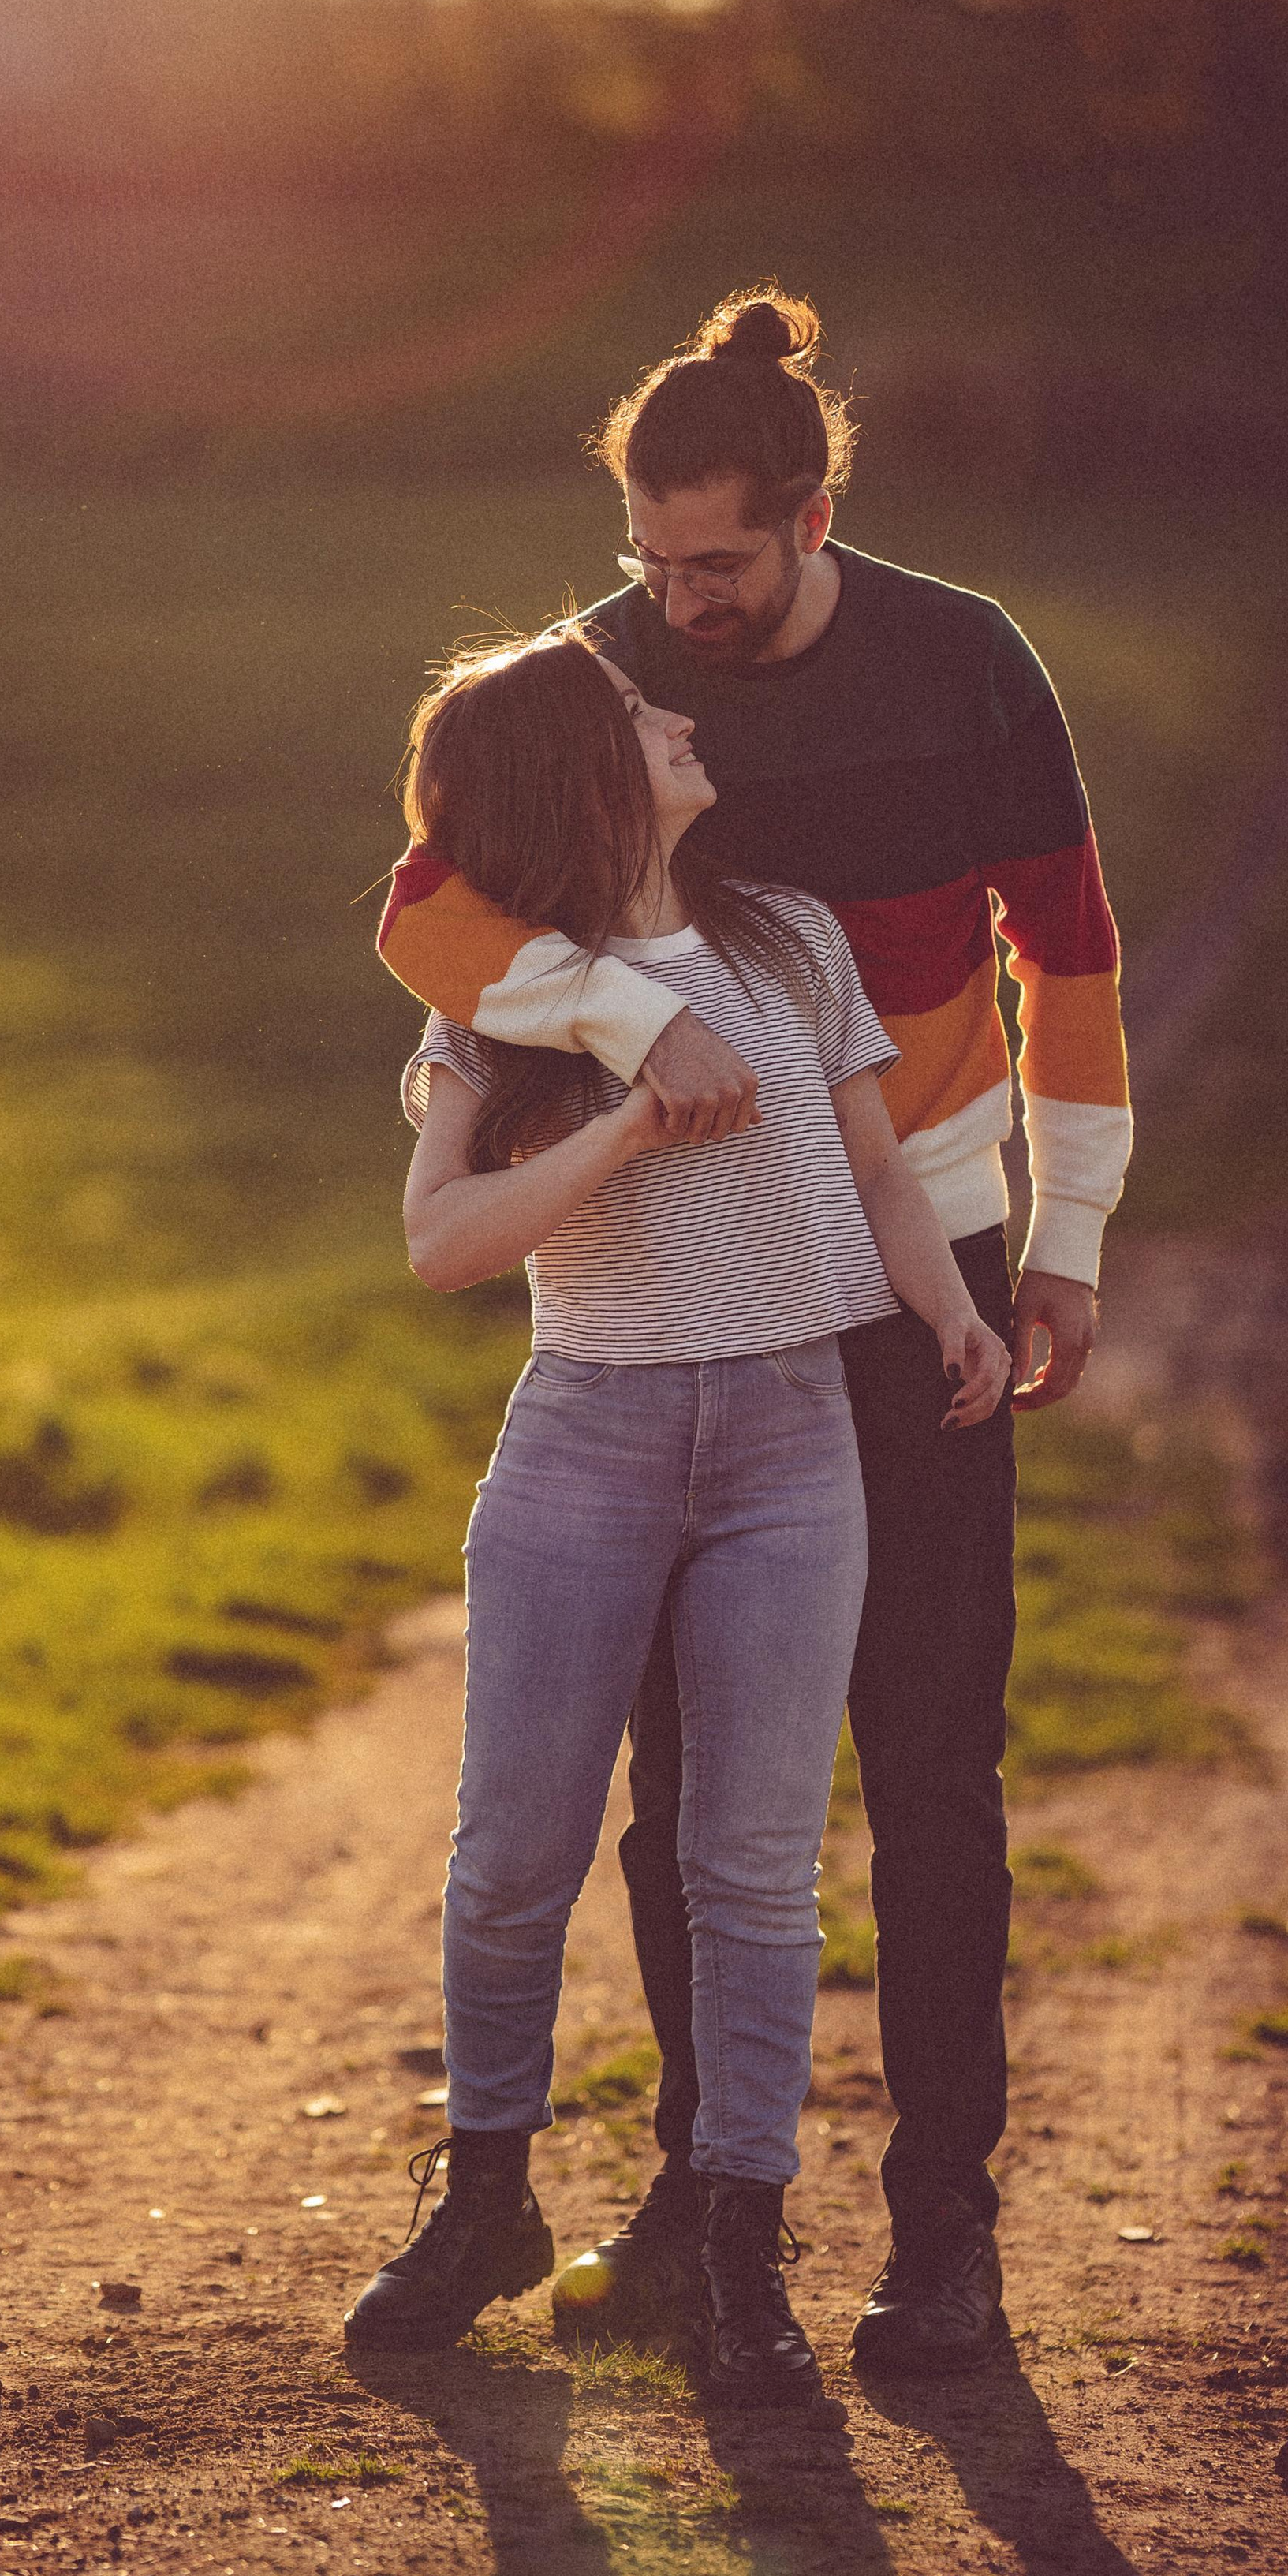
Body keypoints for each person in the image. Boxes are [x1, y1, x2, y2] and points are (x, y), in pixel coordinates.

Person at [375, 286, 1131, 2372]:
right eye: (644, 556)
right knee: (690, 1780)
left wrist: (1063, 1240)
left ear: (814, 516)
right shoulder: (614, 678)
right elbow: (431, 914)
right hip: (687, 1291)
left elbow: (1067, 955)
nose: (666, 602)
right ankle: (720, 2213)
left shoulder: (970, 663)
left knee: (931, 1756)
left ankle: (941, 2237)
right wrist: (642, 1019)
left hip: (928, 1243)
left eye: (713, 560)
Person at [343, 627, 1011, 2393]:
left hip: (798, 1444)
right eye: (642, 716)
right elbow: (439, 1245)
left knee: (749, 1876)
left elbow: (874, 1161)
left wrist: (949, 1307)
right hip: (591, 1443)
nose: (680, 717)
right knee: (512, 1864)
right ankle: (483, 2196)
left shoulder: (785, 934)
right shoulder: (502, 993)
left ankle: (738, 2258)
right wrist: (629, 1127)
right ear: (580, 772)